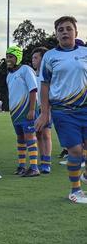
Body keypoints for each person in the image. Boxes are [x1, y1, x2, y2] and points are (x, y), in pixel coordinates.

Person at [35, 16, 87, 203]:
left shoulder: (84, 52)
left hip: (85, 108)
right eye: (60, 30)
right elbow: (45, 86)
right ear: (56, 35)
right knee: (75, 150)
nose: (64, 32)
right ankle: (75, 190)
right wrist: (44, 112)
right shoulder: (50, 56)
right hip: (63, 111)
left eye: (68, 28)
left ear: (76, 32)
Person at [6, 45, 40, 177]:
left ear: (18, 57)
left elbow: (33, 90)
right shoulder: (9, 75)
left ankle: (34, 167)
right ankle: (21, 166)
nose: (8, 59)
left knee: (30, 137)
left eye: (11, 57)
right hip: (15, 114)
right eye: (7, 57)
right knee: (20, 138)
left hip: (27, 111)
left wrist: (32, 110)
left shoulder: (26, 70)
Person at [31, 46, 53, 173]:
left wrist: (48, 109)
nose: (33, 60)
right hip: (35, 108)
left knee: (46, 134)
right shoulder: (33, 75)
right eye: (32, 58)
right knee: (38, 134)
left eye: (36, 58)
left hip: (45, 108)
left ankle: (47, 162)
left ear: (43, 59)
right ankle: (41, 159)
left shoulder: (47, 74)